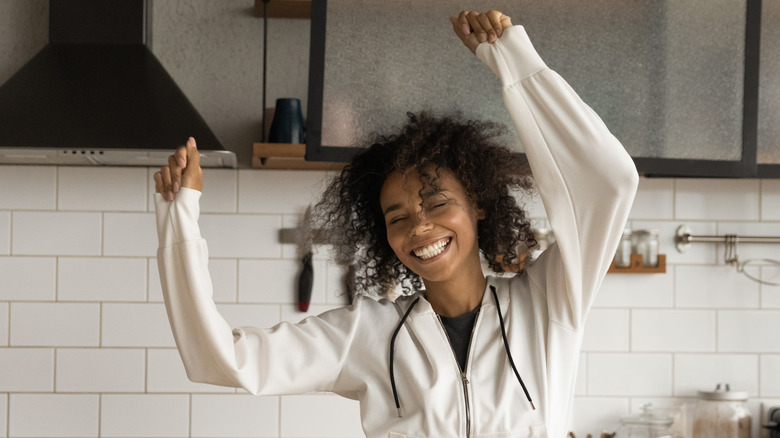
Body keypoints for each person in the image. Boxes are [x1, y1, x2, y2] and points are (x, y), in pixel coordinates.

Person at [154, 10, 638, 438]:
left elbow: (608, 182)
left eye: (437, 203)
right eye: (399, 216)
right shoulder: (367, 334)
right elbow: (220, 360)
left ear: (479, 206)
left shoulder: (549, 304)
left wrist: (516, 65)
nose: (420, 227)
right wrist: (181, 215)